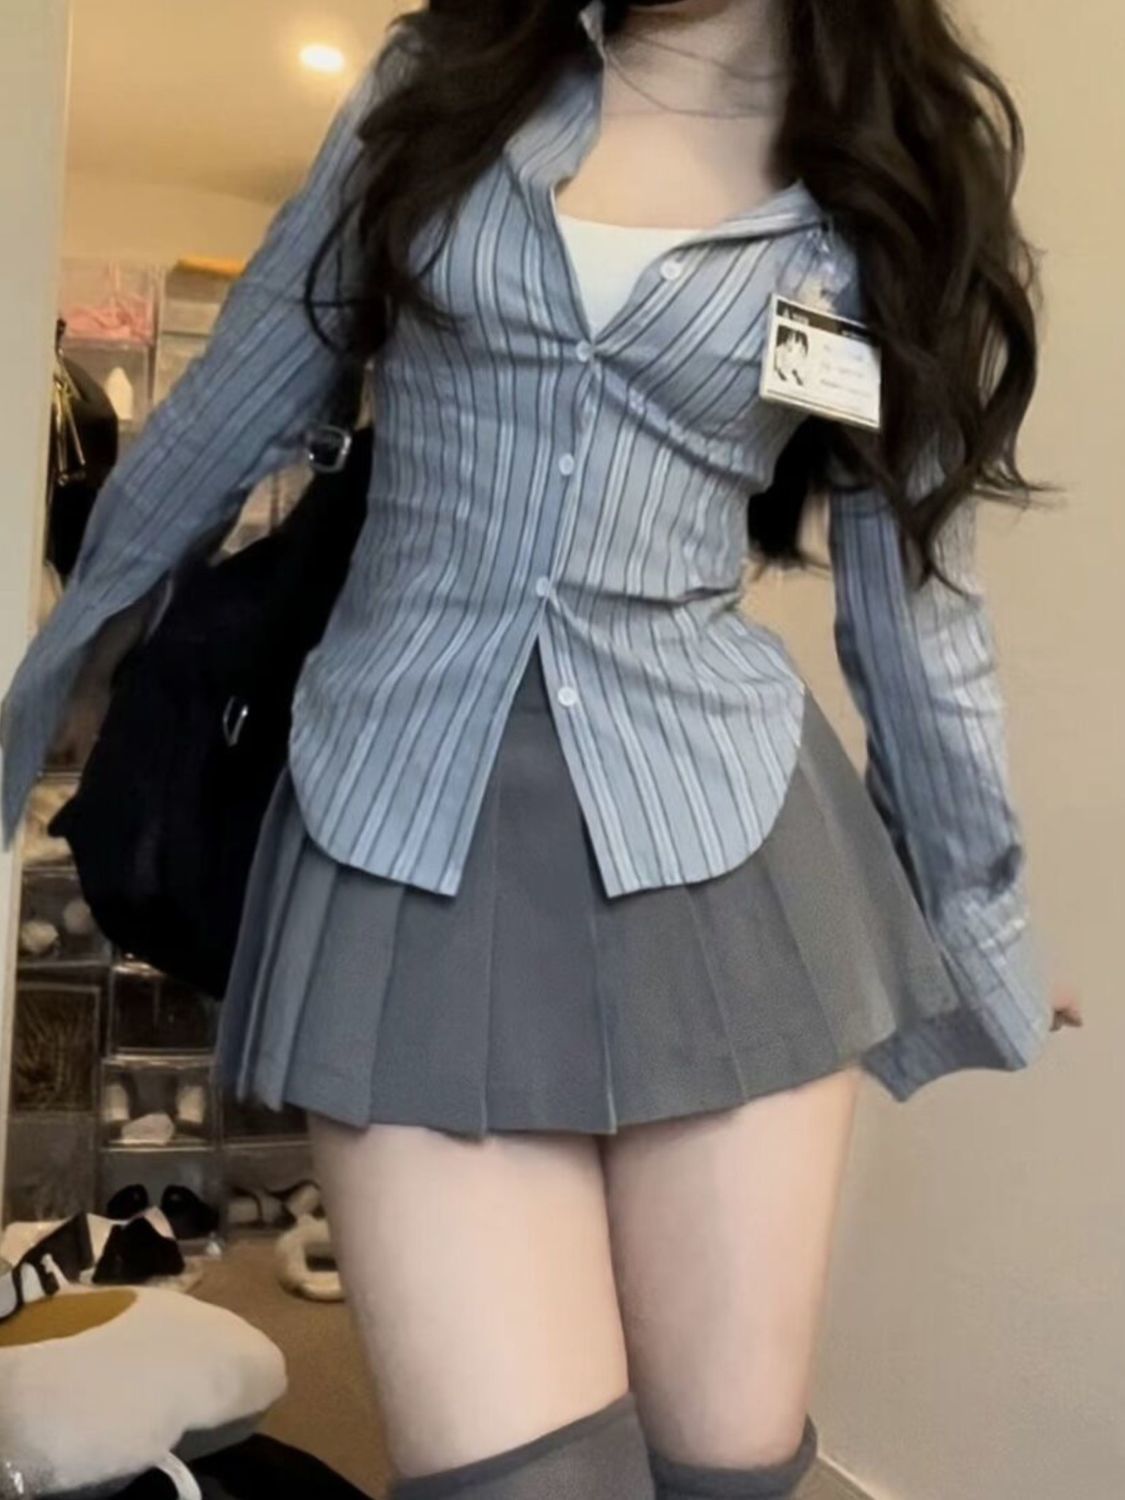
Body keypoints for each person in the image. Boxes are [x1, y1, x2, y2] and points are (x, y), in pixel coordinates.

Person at [0, 2, 1082, 1497]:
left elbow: (915, 612)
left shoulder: (876, 182)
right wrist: (33, 722)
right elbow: (214, 428)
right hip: (399, 827)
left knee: (726, 1470)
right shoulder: (443, 80)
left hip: (723, 848)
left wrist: (974, 912)